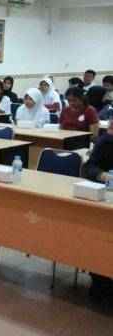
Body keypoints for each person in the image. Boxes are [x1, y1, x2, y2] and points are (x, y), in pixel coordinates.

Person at [84, 119, 113, 303]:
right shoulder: (106, 142)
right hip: (105, 200)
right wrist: (101, 175)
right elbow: (89, 167)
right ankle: (101, 282)